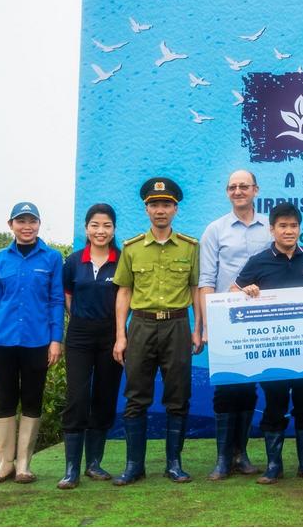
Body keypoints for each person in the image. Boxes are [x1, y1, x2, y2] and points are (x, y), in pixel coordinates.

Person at [232, 202, 303, 483]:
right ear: (272, 229)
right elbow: (232, 293)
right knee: (275, 406)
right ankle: (274, 466)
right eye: (283, 226)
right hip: (273, 352)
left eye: (294, 225)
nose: (289, 231)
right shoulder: (258, 261)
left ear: (299, 228)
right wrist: (247, 292)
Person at [111, 177, 202, 485]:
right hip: (141, 325)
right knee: (136, 396)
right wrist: (121, 335)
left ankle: (174, 464)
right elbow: (124, 291)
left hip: (177, 325)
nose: (160, 210)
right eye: (154, 205)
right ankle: (134, 465)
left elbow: (195, 288)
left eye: (166, 205)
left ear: (175, 209)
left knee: (178, 396)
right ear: (146, 209)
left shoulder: (190, 247)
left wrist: (198, 328)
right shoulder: (132, 248)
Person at [0, 201, 64, 485]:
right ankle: (4, 464)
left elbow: (56, 301)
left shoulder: (52, 258)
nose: (27, 227)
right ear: (10, 225)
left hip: (37, 341)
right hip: (1, 340)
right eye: (21, 221)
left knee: (33, 399)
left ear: (39, 224)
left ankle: (24, 464)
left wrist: (56, 340)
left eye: (32, 221)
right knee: (6, 400)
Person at [197, 170, 270, 480]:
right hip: (225, 321)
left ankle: (242, 454)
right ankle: (223, 459)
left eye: (244, 186)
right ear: (227, 192)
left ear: (256, 190)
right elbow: (206, 280)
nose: (238, 191)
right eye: (232, 187)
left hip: (262, 320)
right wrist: (207, 326)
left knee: (250, 387)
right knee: (226, 387)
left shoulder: (270, 228)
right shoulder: (215, 230)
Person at [57, 203, 124, 490]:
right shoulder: (73, 262)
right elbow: (67, 296)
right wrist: (80, 318)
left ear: (114, 229)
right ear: (86, 229)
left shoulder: (122, 260)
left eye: (107, 225)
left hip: (112, 335)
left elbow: (125, 298)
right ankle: (71, 469)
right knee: (77, 398)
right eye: (95, 225)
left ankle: (94, 463)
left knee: (105, 398)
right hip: (79, 336)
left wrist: (119, 334)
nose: (101, 231)